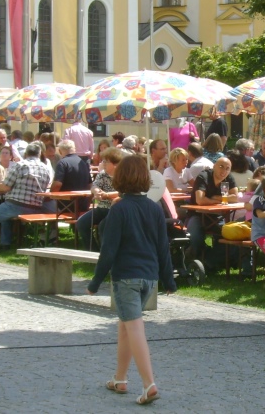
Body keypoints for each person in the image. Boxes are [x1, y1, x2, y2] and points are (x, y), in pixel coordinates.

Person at [87, 155, 176, 406]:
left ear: (120, 178)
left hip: (126, 277)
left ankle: (149, 384)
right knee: (125, 326)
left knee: (134, 328)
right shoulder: (154, 208)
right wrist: (169, 280)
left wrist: (95, 282)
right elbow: (163, 248)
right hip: (149, 278)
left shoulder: (119, 209)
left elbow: (109, 251)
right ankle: (120, 378)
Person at [0, 142, 52, 251]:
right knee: (6, 215)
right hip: (37, 207)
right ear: (39, 154)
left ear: (26, 154)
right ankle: (5, 243)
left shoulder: (20, 165)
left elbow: (5, 187)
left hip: (17, 205)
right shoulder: (46, 168)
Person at [186, 157, 238, 267]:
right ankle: (190, 264)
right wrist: (220, 199)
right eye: (221, 167)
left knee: (229, 237)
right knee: (195, 238)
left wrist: (216, 198)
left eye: (227, 168)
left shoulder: (228, 179)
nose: (224, 171)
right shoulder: (204, 176)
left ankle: (208, 262)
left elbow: (235, 198)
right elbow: (200, 200)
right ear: (214, 166)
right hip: (197, 215)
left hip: (216, 216)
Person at [76, 147, 124, 251]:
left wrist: (107, 195)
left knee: (103, 226)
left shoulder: (124, 176)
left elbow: (124, 192)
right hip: (102, 208)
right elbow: (94, 185)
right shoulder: (103, 174)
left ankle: (106, 254)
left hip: (116, 210)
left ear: (115, 164)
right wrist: (96, 191)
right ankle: (93, 251)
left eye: (106, 162)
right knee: (81, 223)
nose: (103, 163)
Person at [52, 139, 92, 212]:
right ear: (74, 149)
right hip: (83, 203)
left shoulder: (62, 163)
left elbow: (57, 184)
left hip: (66, 204)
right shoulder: (83, 163)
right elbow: (90, 184)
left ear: (60, 151)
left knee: (47, 205)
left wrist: (50, 195)